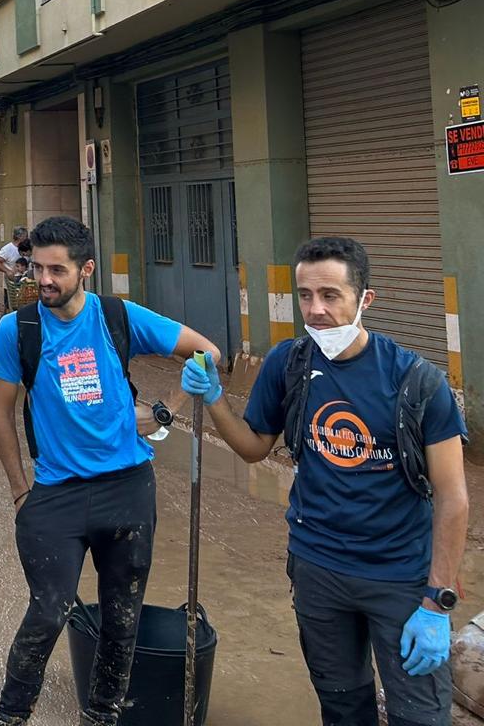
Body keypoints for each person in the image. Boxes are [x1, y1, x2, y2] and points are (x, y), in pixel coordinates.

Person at [181, 236, 468, 726]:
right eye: (305, 295)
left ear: (365, 300)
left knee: (419, 716)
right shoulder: (288, 364)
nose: (315, 310)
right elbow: (254, 448)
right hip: (317, 572)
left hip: (399, 579)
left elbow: (453, 498)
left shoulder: (417, 382)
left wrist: (437, 604)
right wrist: (214, 400)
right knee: (341, 706)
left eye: (331, 296)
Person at [0, 215, 218, 726]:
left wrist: (163, 412)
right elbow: (1, 412)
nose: (43, 279)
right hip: (54, 497)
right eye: (37, 267)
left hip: (128, 492)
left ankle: (104, 714)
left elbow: (207, 352)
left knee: (122, 617)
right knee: (48, 613)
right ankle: (10, 714)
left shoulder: (118, 317)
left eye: (56, 270)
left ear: (86, 270)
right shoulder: (18, 330)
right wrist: (20, 492)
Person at [0, 226, 29, 307]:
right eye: (25, 236)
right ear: (19, 237)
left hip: (25, 283)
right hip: (12, 283)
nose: (27, 238)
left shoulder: (26, 247)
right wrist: (7, 271)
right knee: (12, 305)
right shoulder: (7, 249)